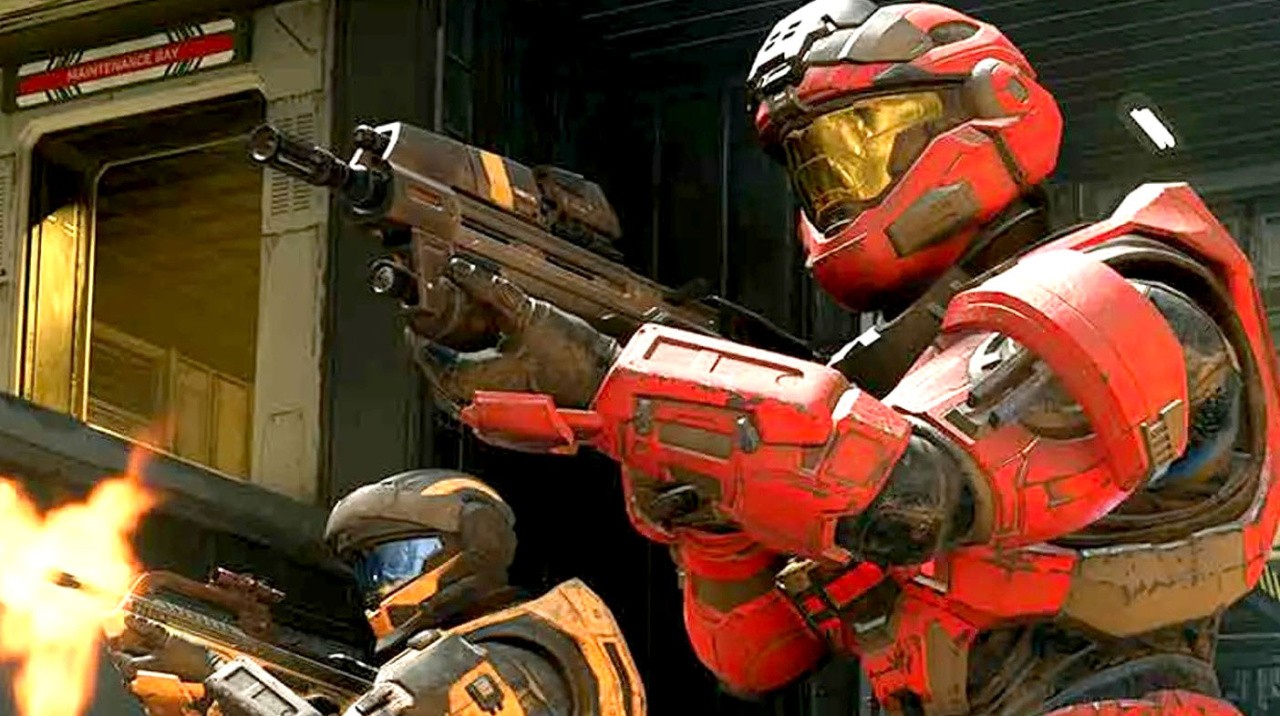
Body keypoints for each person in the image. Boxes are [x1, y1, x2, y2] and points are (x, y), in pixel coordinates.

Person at [407, 2, 1277, 715]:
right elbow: (756, 656)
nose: (840, 180)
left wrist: (615, 379)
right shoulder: (901, 383)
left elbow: (916, 493)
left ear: (991, 105)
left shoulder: (1125, 290)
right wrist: (714, 527)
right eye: (818, 160)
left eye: (871, 134)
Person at [109, 469, 646, 716]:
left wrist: (217, 673)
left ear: (473, 546)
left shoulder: (505, 664)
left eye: (397, 562)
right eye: (369, 571)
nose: (381, 587)